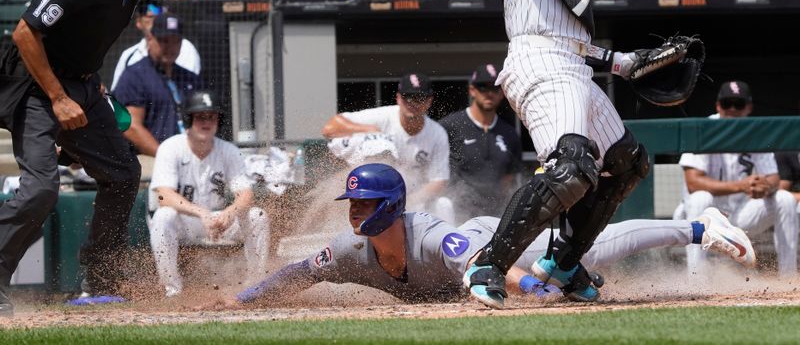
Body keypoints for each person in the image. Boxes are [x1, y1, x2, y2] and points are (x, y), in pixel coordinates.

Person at [461, 0, 651, 309]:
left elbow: (564, 32)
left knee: (627, 163)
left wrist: (620, 63)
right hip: (540, 61)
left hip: (568, 61)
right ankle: (487, 264)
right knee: (571, 168)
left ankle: (564, 263)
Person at [230, 164, 755, 306]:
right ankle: (571, 276)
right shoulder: (348, 250)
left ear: (390, 207)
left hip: (490, 243)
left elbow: (486, 261)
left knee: (589, 247)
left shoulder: (433, 236)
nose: (354, 213)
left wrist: (534, 286)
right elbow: (297, 274)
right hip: (479, 261)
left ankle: (698, 228)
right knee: (573, 274)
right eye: (353, 204)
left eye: (365, 203)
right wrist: (245, 299)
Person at [0, 0, 169, 315]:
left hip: (82, 86)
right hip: (37, 87)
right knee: (41, 188)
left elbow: (88, 35)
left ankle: (101, 280)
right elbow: (25, 34)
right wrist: (58, 99)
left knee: (123, 172)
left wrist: (91, 87)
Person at [148, 89, 269, 298]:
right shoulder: (171, 147)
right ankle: (172, 290)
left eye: (212, 117)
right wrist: (201, 213)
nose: (206, 123)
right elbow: (163, 196)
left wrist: (230, 212)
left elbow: (246, 194)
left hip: (218, 220)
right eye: (200, 117)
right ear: (189, 119)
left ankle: (253, 288)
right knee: (163, 216)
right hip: (186, 221)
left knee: (257, 215)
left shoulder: (228, 150)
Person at [677, 80, 797, 276]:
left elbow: (774, 178)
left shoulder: (756, 132)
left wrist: (765, 187)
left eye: (738, 104)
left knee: (784, 198)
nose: (732, 109)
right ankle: (696, 279)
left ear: (748, 107)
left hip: (740, 214)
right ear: (718, 106)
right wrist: (741, 185)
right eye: (727, 104)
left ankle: (788, 278)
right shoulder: (703, 128)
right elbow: (693, 182)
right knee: (701, 197)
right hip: (702, 215)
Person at [321, 73, 453, 220]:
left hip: (414, 197)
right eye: (407, 97)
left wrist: (407, 201)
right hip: (375, 192)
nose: (412, 103)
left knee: (444, 204)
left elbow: (439, 180)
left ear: (429, 101)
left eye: (419, 98)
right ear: (398, 98)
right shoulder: (384, 116)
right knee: (378, 145)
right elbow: (330, 128)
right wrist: (368, 130)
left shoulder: (437, 133)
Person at [438, 65, 524, 222]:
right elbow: (436, 169)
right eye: (483, 87)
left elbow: (509, 178)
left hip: (496, 215)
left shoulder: (510, 133)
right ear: (472, 90)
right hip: (457, 213)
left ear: (503, 93)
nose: (489, 93)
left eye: (495, 88)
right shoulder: (449, 126)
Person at [112, 12, 202, 157]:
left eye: (176, 41)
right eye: (164, 40)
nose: (170, 47)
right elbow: (130, 126)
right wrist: (165, 157)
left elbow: (202, 121)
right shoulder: (135, 75)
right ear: (149, 39)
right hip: (147, 161)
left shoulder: (190, 78)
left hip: (188, 160)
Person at [111, 0, 201, 91]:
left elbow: (190, 87)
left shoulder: (185, 48)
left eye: (158, 15)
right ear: (138, 23)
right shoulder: (128, 55)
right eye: (149, 17)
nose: (154, 20)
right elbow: (116, 94)